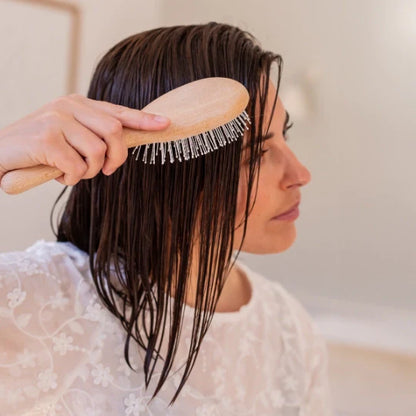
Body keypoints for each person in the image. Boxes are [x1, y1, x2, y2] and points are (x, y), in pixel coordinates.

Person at [0, 23, 333, 415]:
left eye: (285, 137)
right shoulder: (35, 304)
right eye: (257, 153)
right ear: (170, 167)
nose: (300, 174)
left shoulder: (289, 331)